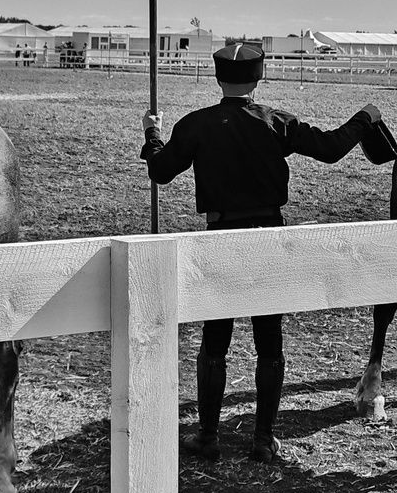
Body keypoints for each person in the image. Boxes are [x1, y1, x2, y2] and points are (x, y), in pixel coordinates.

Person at [140, 42, 380, 464]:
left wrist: (153, 133)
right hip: (268, 237)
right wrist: (365, 117)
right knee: (269, 341)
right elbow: (330, 148)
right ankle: (263, 439)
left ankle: (208, 437)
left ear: (218, 79)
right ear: (258, 78)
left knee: (216, 340)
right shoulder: (276, 122)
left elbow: (160, 172)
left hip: (220, 236)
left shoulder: (196, 124)